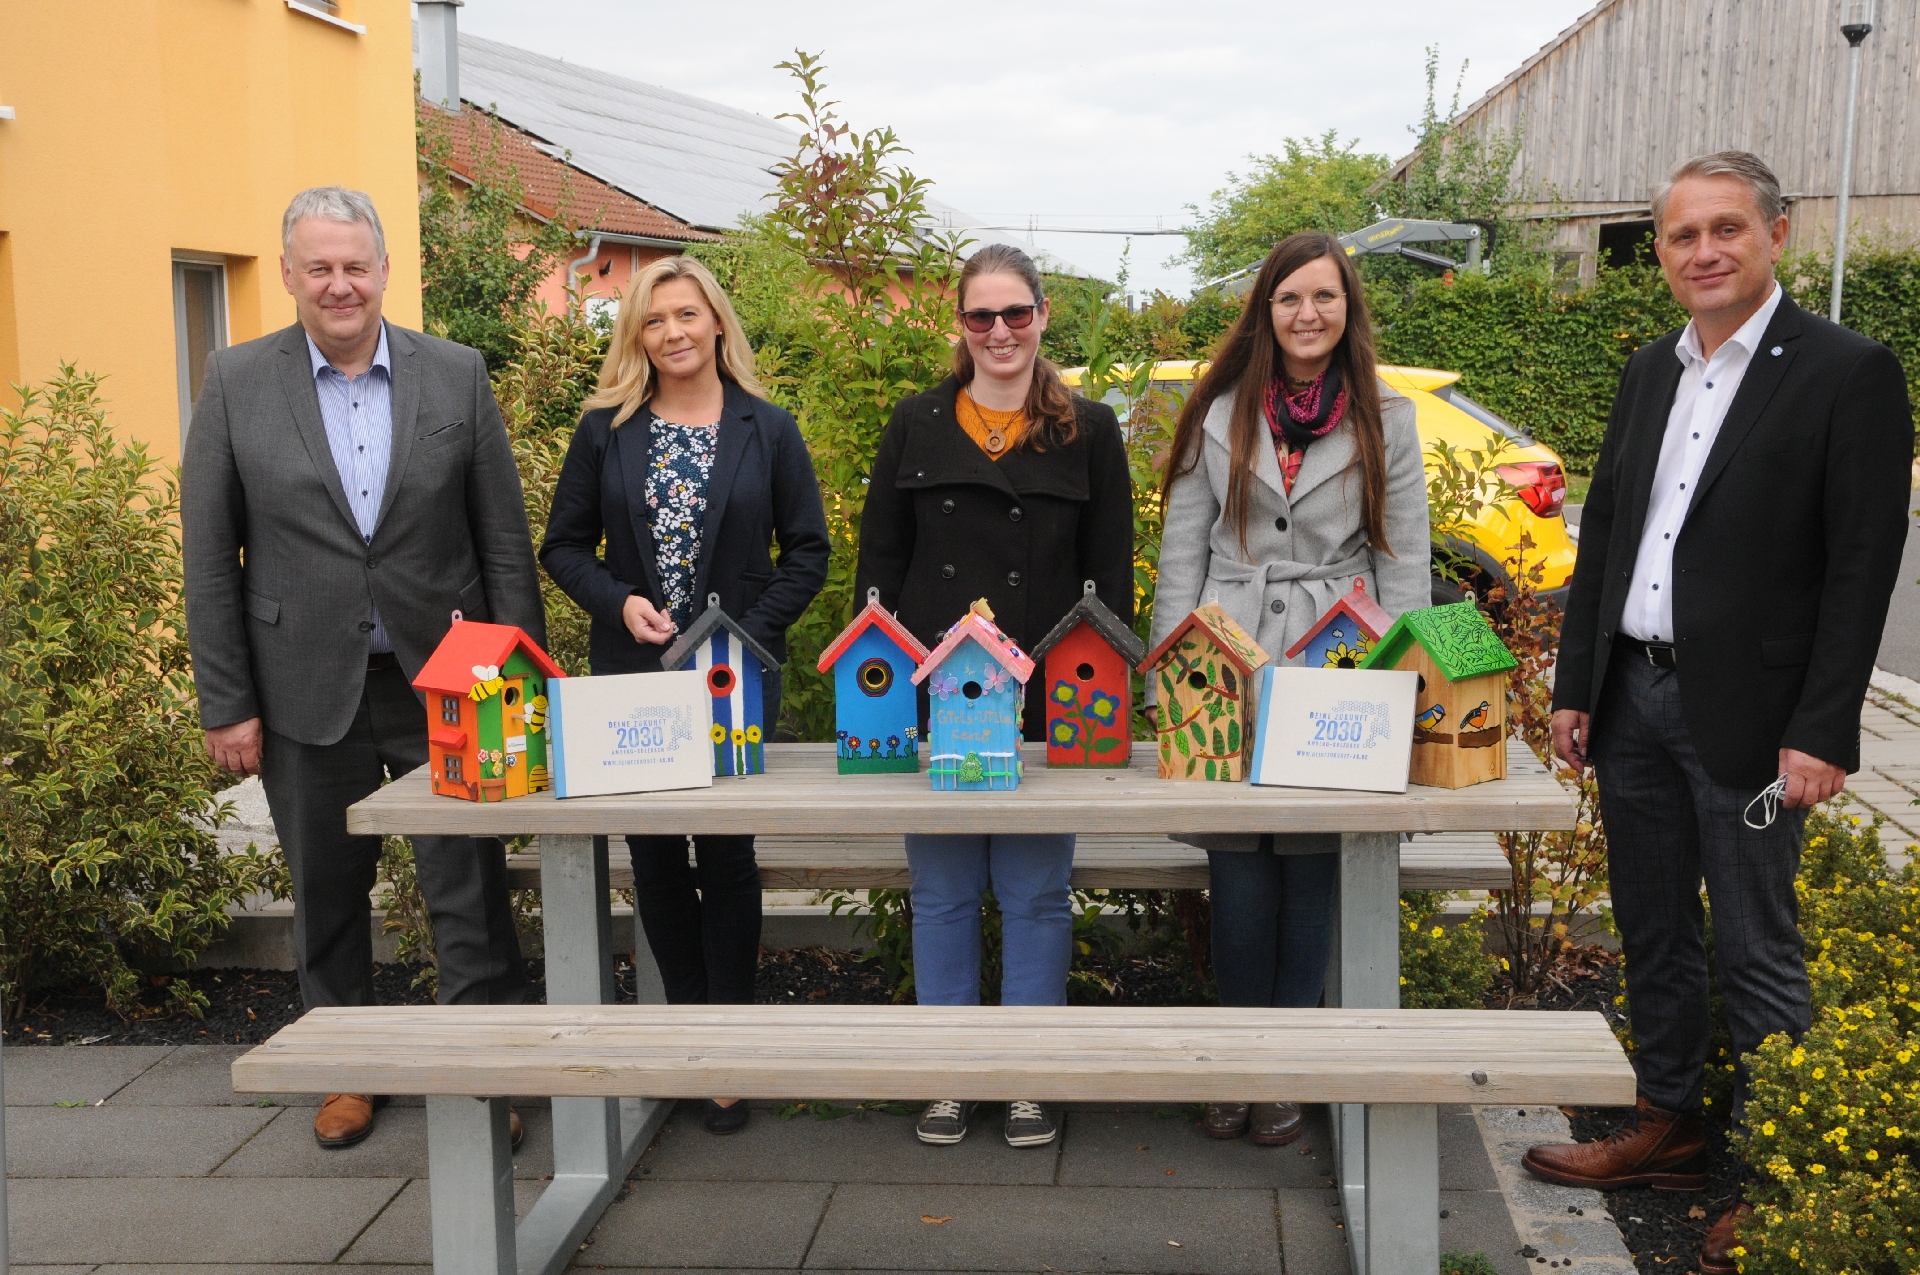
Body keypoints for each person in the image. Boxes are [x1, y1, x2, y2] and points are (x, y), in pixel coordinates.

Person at [1523, 152, 1913, 1274]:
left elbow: (1861, 567)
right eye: (1683, 236)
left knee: (1755, 947)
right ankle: (1669, 1128)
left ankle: (1778, 1177)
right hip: (1634, 697)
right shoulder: (1652, 371)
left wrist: (1825, 726)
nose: (1704, 252)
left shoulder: (1847, 371)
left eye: (1726, 230)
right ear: (1661, 254)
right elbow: (1608, 537)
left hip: (1752, 720)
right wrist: (1576, 688)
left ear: (1776, 235)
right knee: (1651, 927)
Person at [183, 187, 543, 1150]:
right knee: (327, 890)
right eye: (318, 268)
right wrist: (227, 702)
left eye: (355, 265)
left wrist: (526, 684)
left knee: (466, 890)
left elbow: (503, 544)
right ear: (292, 274)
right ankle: (348, 1070)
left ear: (384, 270)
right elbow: (211, 555)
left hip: (451, 682)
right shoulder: (235, 380)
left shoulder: (455, 375)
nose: (339, 284)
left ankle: (488, 1073)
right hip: (302, 685)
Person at [1152, 231, 1430, 1147]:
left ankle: (1287, 1071)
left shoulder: (1386, 415)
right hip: (1229, 650)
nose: (1307, 314)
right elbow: (1181, 553)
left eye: (1324, 297)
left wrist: (1405, 683)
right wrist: (1172, 680)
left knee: (1310, 858)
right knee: (1237, 861)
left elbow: (1404, 557)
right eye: (1289, 298)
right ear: (1264, 311)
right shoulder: (1221, 410)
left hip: (1336, 653)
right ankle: (1238, 1062)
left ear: (1348, 308)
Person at [541, 255, 829, 1136]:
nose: (672, 332)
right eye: (654, 319)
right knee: (658, 859)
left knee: (728, 855)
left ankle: (726, 1045)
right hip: (633, 679)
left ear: (716, 324)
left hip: (728, 679)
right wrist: (617, 602)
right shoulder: (605, 430)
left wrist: (744, 631)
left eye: (687, 315)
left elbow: (808, 553)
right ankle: (689, 1032)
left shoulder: (767, 428)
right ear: (638, 334)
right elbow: (562, 547)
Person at [856, 243, 1133, 1149]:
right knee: (939, 890)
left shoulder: (1087, 429)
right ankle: (948, 1072)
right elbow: (880, 567)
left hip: (1047, 698)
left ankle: (1027, 1075)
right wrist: (891, 686)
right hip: (945, 688)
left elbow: (1109, 580)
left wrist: (1095, 697)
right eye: (983, 316)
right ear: (959, 323)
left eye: (1017, 314)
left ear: (1045, 316)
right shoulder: (916, 421)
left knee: (1033, 889)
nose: (1001, 331)